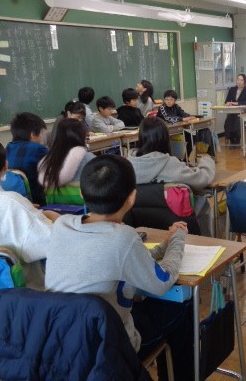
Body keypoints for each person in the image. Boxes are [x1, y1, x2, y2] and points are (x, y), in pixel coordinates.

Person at [45, 155, 192, 380]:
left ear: (82, 194)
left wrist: (164, 245)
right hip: (110, 349)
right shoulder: (124, 237)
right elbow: (163, 281)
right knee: (181, 306)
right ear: (132, 197)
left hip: (64, 343)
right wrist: (179, 238)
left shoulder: (62, 225)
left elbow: (123, 260)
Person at [0, 135, 57, 289]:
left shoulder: (8, 203)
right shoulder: (10, 203)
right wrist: (53, 217)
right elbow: (55, 244)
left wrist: (27, 210)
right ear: (5, 166)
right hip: (24, 297)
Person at [129, 117, 215, 191]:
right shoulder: (170, 165)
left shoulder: (128, 165)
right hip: (168, 206)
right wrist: (206, 159)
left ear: (141, 138)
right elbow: (202, 179)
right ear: (165, 138)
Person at [38, 118, 95, 191]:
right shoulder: (88, 158)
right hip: (80, 197)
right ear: (81, 137)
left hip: (53, 198)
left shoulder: (49, 159)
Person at [6, 112, 49, 206]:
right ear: (33, 135)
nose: (43, 137)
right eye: (42, 133)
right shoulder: (38, 149)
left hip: (14, 199)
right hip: (37, 201)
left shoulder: (8, 147)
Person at [157, 90, 212, 157]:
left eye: (171, 99)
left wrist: (190, 117)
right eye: (167, 99)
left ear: (175, 101)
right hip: (163, 132)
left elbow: (182, 113)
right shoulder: (162, 107)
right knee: (185, 139)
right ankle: (178, 159)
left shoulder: (176, 106)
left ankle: (185, 160)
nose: (168, 101)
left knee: (191, 139)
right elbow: (168, 118)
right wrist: (182, 119)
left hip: (176, 130)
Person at [224, 74, 246, 144]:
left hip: (243, 111)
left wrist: (237, 103)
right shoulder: (232, 89)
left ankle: (237, 139)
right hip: (233, 111)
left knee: (237, 121)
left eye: (241, 80)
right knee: (228, 121)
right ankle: (230, 138)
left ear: (244, 82)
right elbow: (227, 101)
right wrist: (228, 103)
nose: (239, 82)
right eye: (238, 80)